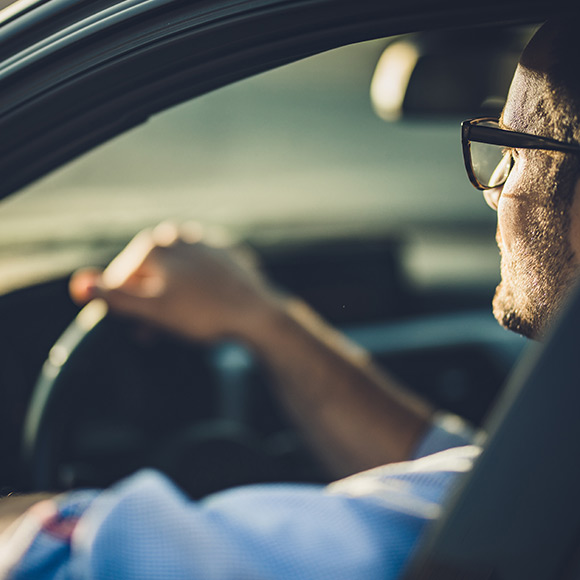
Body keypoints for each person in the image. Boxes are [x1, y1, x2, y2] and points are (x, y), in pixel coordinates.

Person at [1, 14, 579, 579]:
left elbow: (86, 558)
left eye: (511, 151)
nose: (492, 192)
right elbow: (481, 492)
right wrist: (260, 321)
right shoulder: (543, 485)